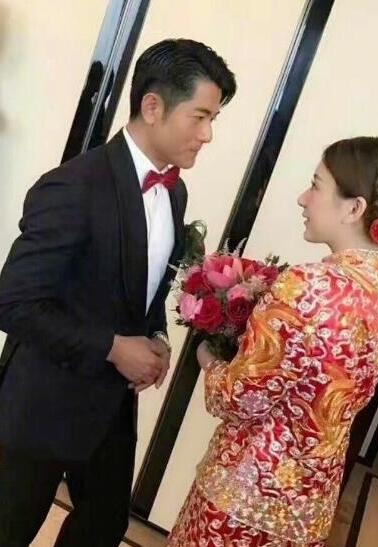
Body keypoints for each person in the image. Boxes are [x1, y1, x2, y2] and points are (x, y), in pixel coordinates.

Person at [0, 38, 236, 547]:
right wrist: (112, 347)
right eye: (199, 117)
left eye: (213, 119)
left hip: (110, 406)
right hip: (43, 402)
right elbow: (13, 302)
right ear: (152, 106)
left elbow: (143, 289)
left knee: (103, 525)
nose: (208, 134)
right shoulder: (73, 186)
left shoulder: (174, 191)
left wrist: (157, 337)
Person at [168, 137, 378, 546]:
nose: (303, 198)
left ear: (354, 208)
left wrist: (209, 359)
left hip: (244, 498)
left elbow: (238, 398)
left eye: (315, 185)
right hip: (309, 508)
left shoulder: (307, 286)